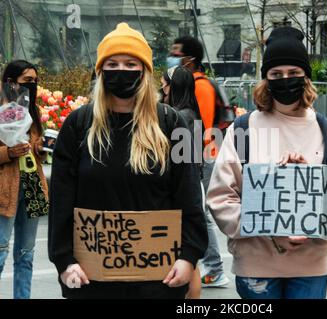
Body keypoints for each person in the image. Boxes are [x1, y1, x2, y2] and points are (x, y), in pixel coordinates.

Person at [48, 22, 207, 299]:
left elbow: (190, 196)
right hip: (91, 279)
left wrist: (188, 256)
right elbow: (62, 200)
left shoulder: (173, 123)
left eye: (131, 64)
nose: (121, 71)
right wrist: (64, 263)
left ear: (144, 72)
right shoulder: (78, 124)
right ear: (100, 71)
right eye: (113, 63)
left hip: (159, 280)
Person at [207, 26, 327, 299]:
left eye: (293, 74)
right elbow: (220, 198)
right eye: (276, 74)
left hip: (310, 268)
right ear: (265, 79)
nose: (285, 80)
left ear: (306, 78)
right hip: (256, 268)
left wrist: (310, 178)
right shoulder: (243, 130)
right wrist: (268, 229)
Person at [168, 36, 230, 288]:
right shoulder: (190, 83)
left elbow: (198, 127)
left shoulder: (200, 86)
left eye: (176, 53)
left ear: (190, 59)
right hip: (198, 155)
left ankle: (214, 268)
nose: (171, 55)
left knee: (200, 211)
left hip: (203, 156)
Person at [0, 60, 49, 299]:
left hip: (32, 184)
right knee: (0, 251)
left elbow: (36, 144)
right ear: (10, 82)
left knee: (26, 254)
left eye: (35, 81)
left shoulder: (34, 111)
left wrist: (40, 147)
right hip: (5, 188)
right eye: (27, 81)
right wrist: (8, 152)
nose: (33, 85)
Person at [160, 65, 204, 298]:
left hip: (186, 186)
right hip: (195, 182)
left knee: (188, 257)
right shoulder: (192, 112)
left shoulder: (177, 116)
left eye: (164, 84)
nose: (162, 89)